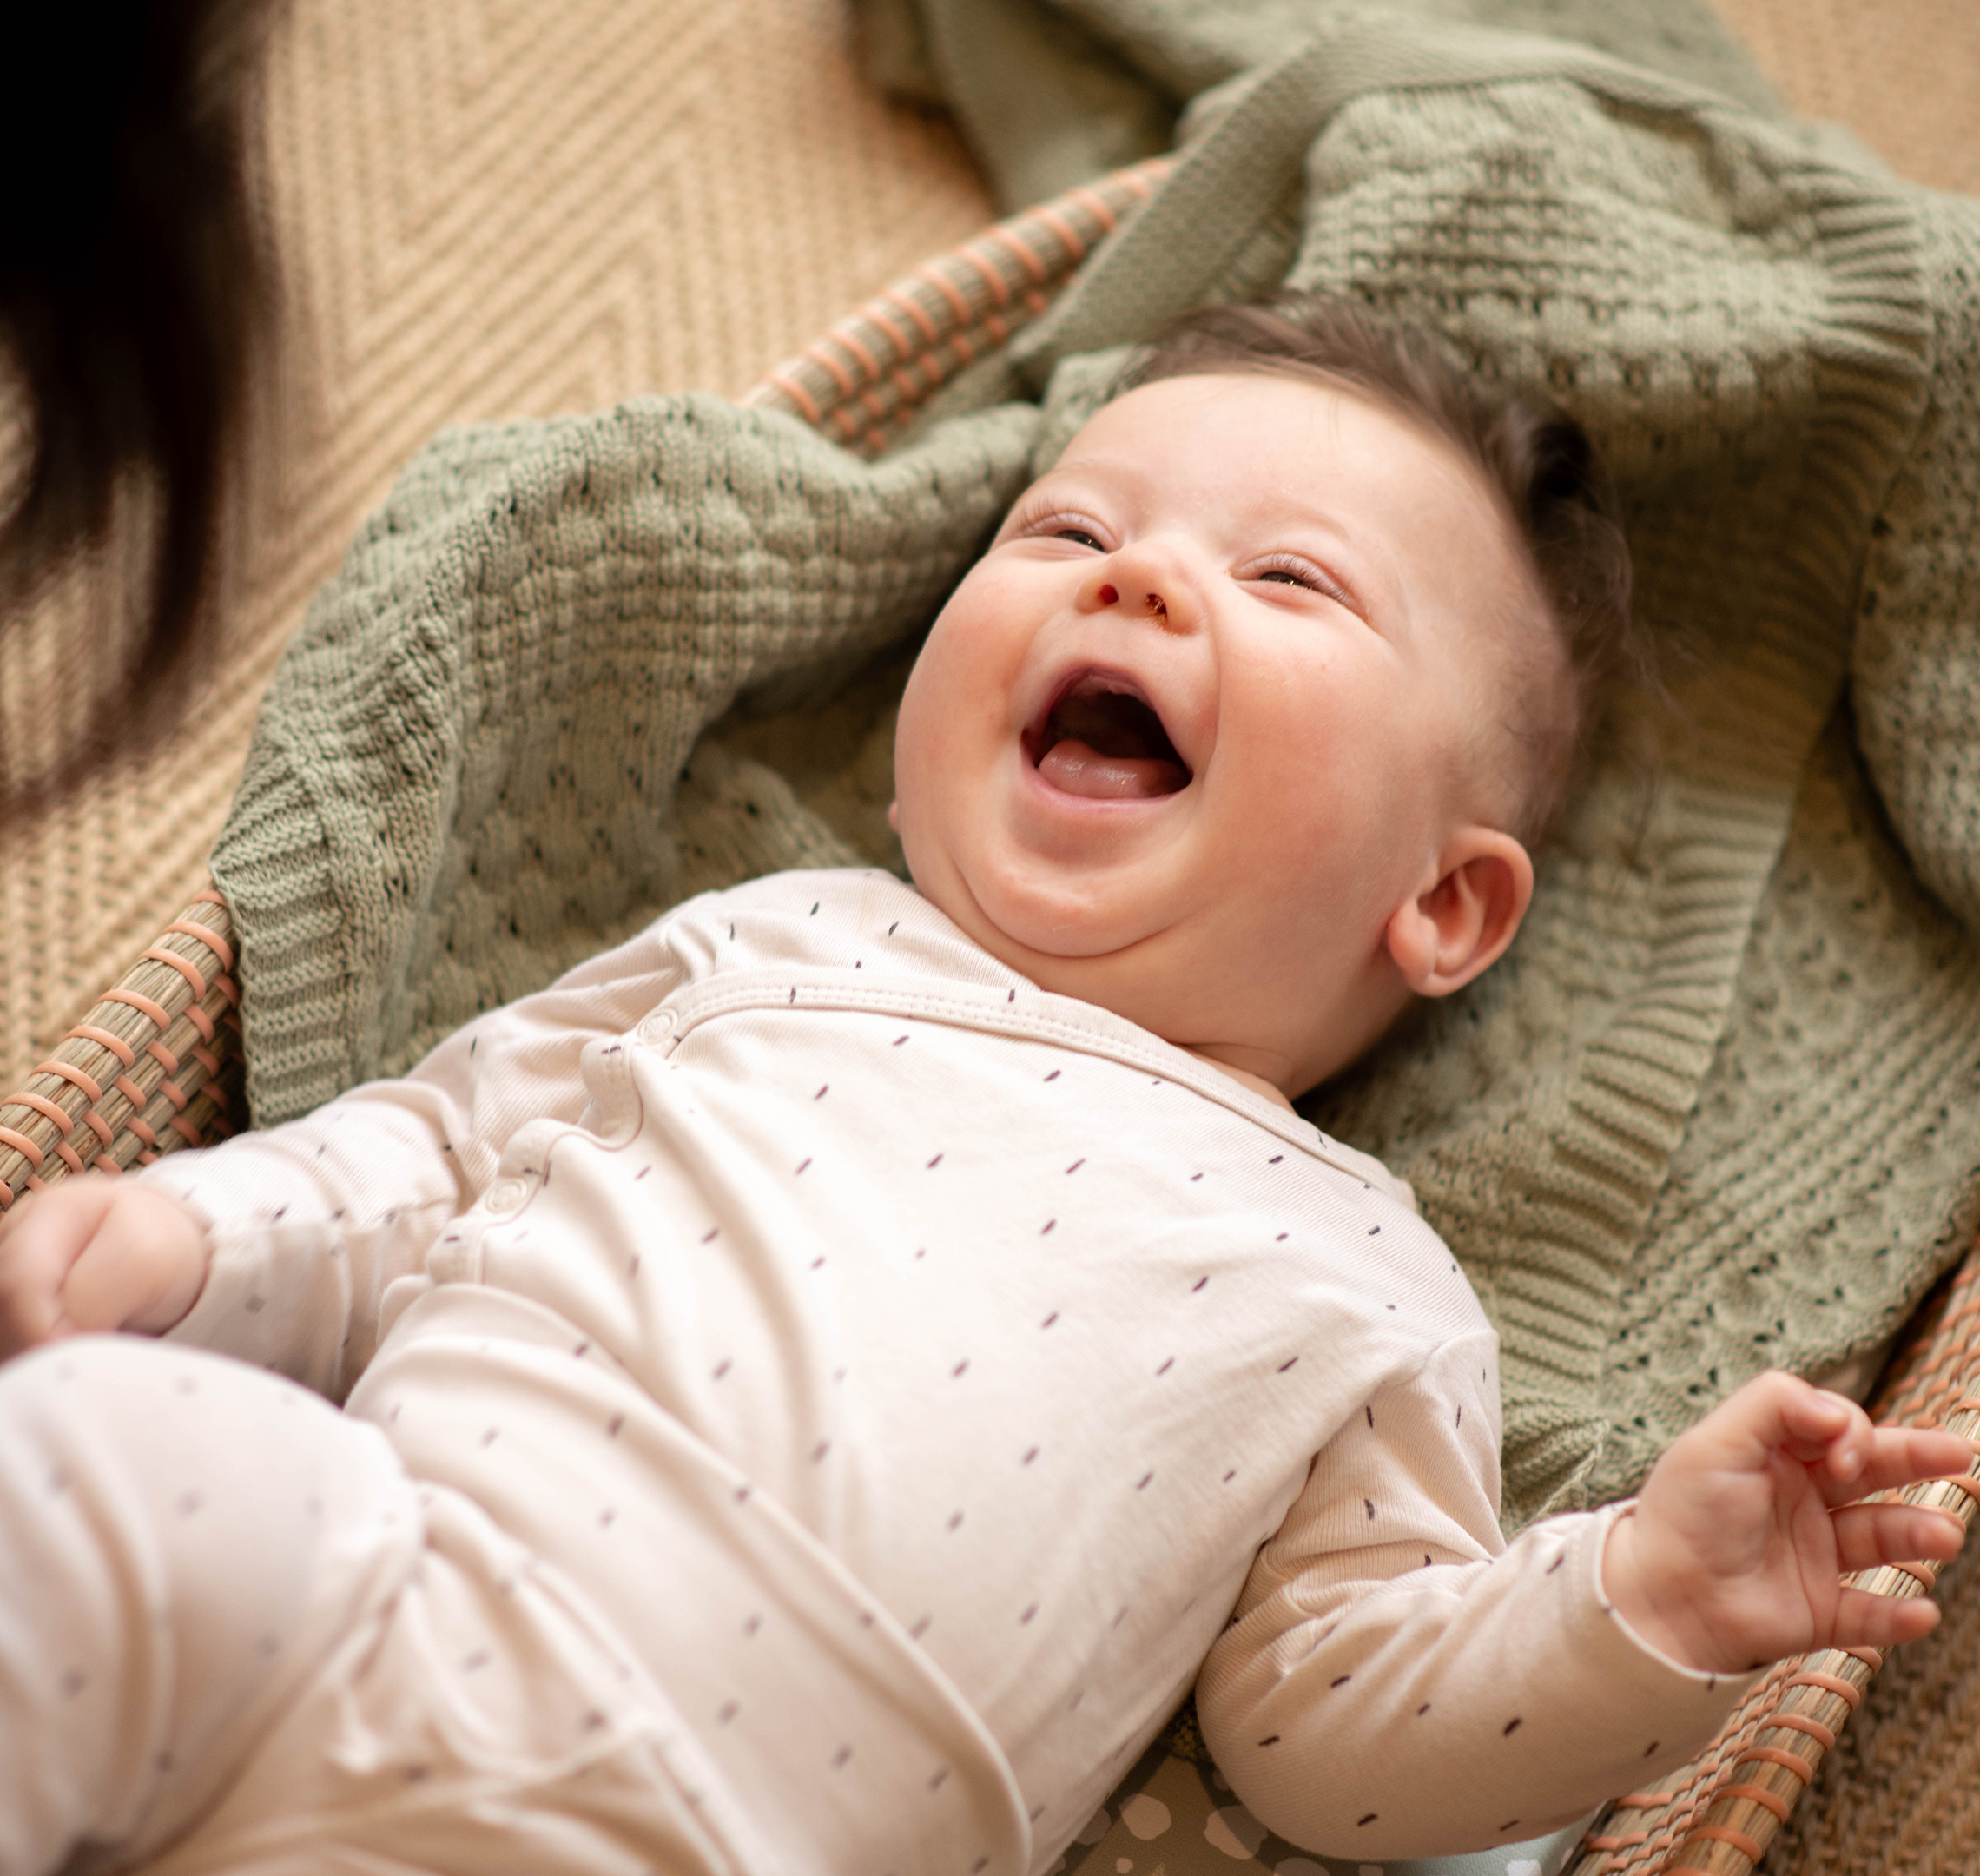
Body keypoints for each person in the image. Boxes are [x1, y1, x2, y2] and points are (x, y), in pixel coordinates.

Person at [0, 297, 1967, 1876]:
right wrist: (188, 1234)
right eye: (1068, 532)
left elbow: (1343, 1731)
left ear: (1443, 903)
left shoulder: (1367, 1281)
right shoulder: (775, 941)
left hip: (733, 1834)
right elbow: (427, 1158)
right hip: (363, 1563)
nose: (1137, 585)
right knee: (86, 1465)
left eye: (1290, 583)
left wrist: (1643, 1597)